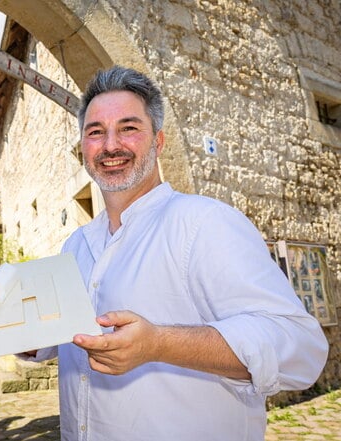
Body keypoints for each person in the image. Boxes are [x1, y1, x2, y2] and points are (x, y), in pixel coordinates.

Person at [23, 66, 328, 440]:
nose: (110, 145)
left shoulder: (206, 223)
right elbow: (75, 332)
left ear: (159, 143)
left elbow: (300, 348)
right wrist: (28, 336)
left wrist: (159, 344)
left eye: (129, 128)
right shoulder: (75, 246)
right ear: (83, 148)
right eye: (95, 132)